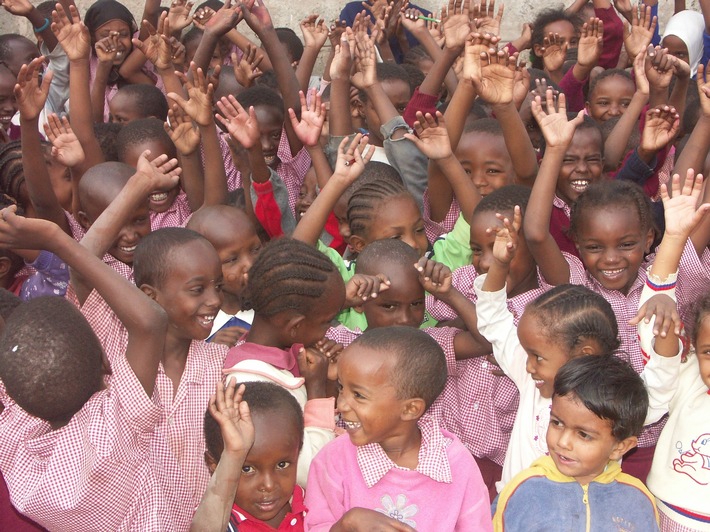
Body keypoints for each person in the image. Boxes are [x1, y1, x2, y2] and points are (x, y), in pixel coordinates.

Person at [525, 91, 710, 482]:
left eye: (626, 245)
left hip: (655, 442)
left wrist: (706, 122)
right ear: (577, 244)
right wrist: (555, 149)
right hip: (583, 440)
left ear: (648, 240)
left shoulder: (670, 270)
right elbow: (536, 233)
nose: (610, 259)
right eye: (594, 247)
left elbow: (688, 204)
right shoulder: (574, 287)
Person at [0, 206, 172, 530]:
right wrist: (56, 239)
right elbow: (151, 322)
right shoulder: (118, 424)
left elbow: (15, 377)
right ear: (107, 362)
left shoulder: (14, 445)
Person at [305, 326, 491, 531]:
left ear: (411, 409)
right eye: (341, 388)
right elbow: (315, 525)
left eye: (359, 395)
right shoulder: (332, 460)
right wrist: (346, 525)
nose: (342, 405)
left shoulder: (457, 465)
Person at [221, 237, 346, 487]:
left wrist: (329, 382)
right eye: (326, 322)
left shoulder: (290, 355)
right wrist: (317, 391)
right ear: (295, 326)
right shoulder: (250, 386)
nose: (329, 330)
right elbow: (308, 470)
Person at [493, 355, 660, 531]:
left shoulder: (637, 501)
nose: (563, 442)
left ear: (620, 447)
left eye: (583, 435)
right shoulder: (523, 491)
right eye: (557, 423)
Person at [194, 380, 306, 531]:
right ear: (214, 466)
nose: (268, 485)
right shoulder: (215, 519)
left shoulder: (314, 505)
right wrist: (234, 454)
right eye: (247, 469)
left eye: (282, 465)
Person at [186, 205, 262, 346]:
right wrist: (209, 347)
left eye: (256, 249)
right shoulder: (194, 324)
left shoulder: (270, 312)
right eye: (232, 260)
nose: (250, 265)